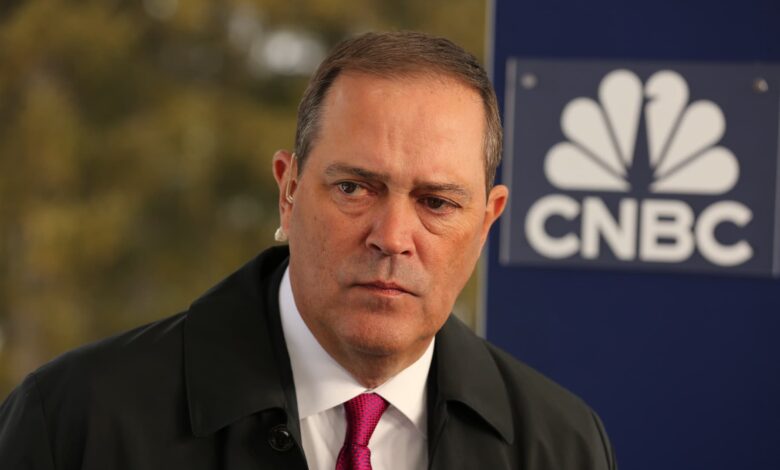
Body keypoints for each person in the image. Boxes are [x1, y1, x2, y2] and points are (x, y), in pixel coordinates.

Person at [0, 31, 617, 469]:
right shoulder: (77, 423)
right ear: (288, 191)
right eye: (355, 188)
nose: (392, 237)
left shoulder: (562, 447)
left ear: (486, 223)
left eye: (436, 202)